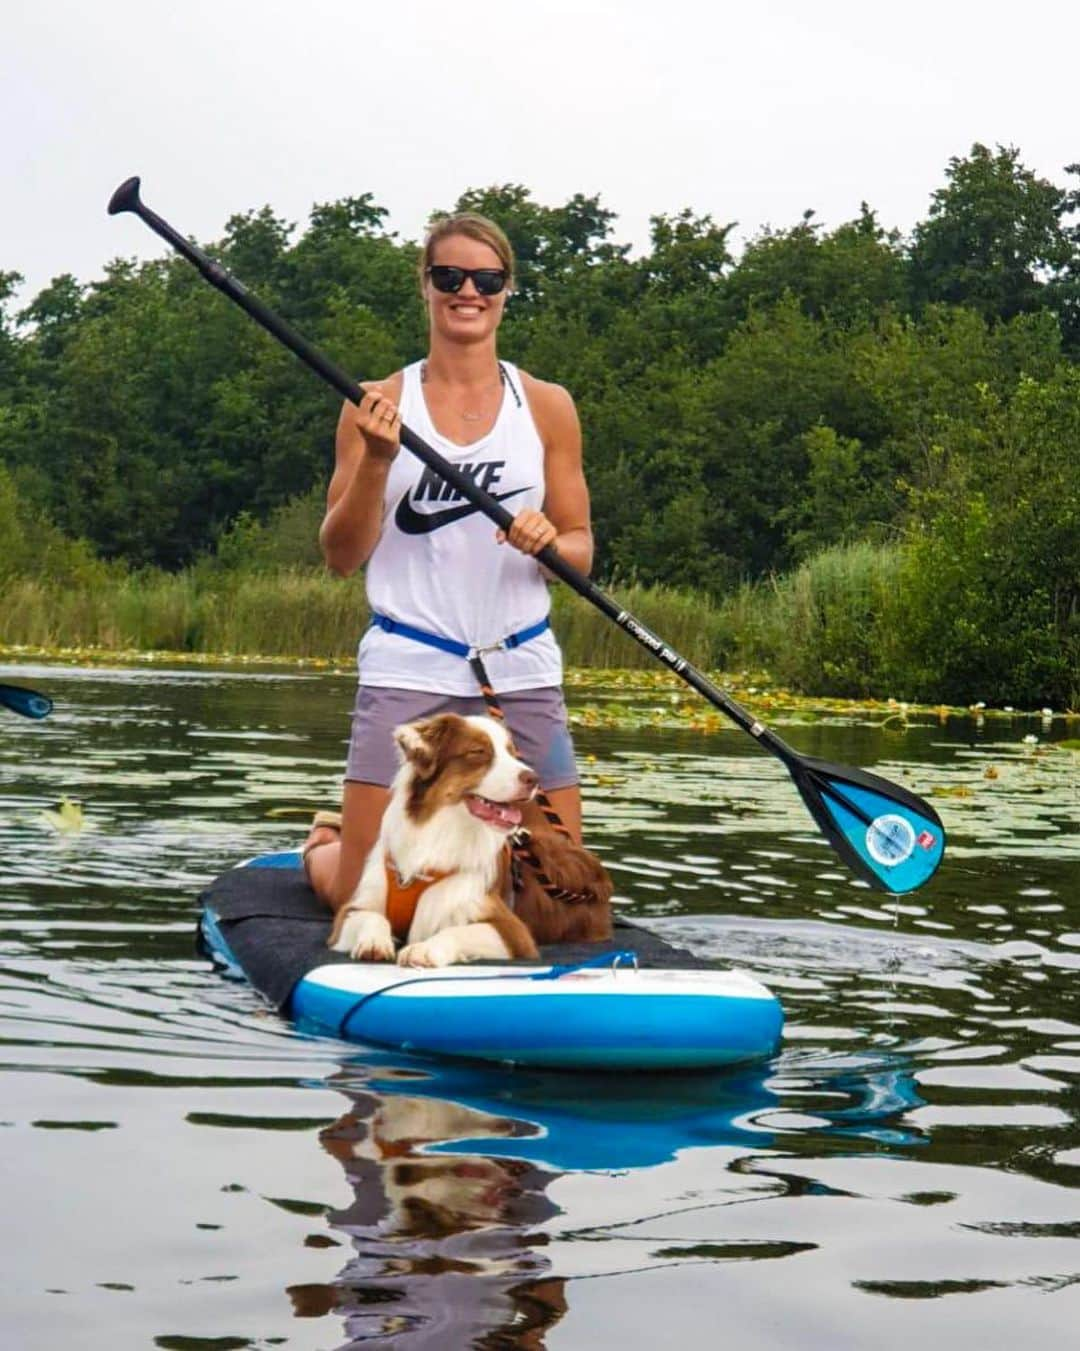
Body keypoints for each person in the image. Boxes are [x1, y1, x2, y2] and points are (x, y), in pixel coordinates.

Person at [303, 212, 594, 913]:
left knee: (561, 898)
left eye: (486, 278)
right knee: (364, 905)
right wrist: (378, 460)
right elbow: (341, 556)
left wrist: (548, 543)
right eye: (450, 276)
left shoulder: (548, 406)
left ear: (507, 289)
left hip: (518, 668)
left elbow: (581, 549)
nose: (469, 290)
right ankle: (325, 845)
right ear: (426, 287)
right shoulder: (376, 405)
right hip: (410, 663)